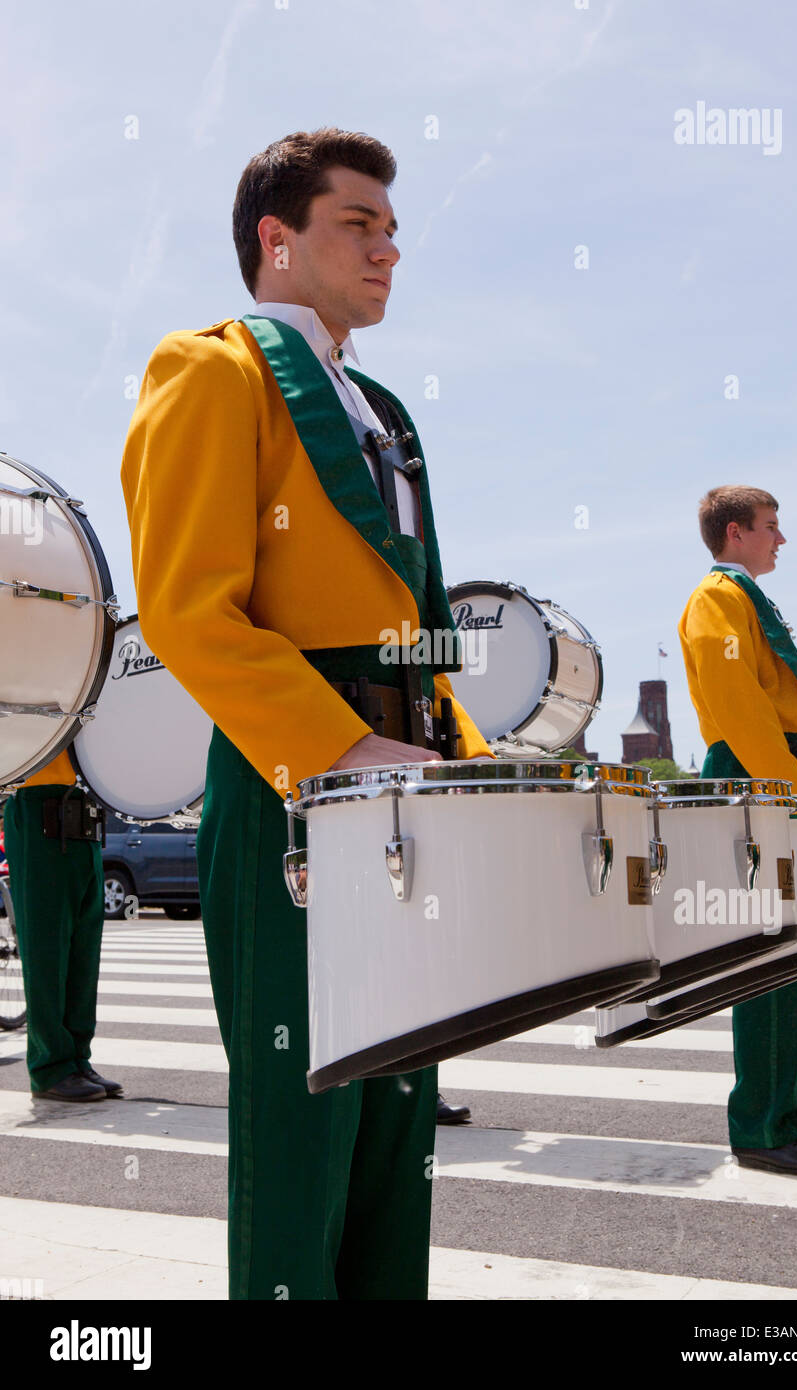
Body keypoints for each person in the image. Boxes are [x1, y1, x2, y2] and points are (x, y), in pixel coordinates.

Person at [121, 127, 491, 1299]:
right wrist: (339, 746)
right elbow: (188, 611)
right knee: (304, 1123)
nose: (390, 247)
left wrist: (471, 761)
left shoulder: (379, 407)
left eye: (391, 227)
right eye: (358, 224)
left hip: (401, 777)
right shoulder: (211, 366)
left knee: (396, 1128)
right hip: (298, 785)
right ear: (277, 241)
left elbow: (416, 625)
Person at [678, 485, 797, 1176]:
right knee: (765, 957)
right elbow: (739, 704)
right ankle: (760, 1125)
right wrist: (794, 788)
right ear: (735, 533)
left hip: (774, 766)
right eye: (770, 527)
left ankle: (795, 1114)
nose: (780, 539)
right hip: (756, 769)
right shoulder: (716, 598)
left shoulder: (742, 596)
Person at [2, 748, 122, 1101]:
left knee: (84, 950)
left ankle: (76, 1059)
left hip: (84, 805)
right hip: (36, 796)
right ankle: (50, 1066)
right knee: (47, 950)